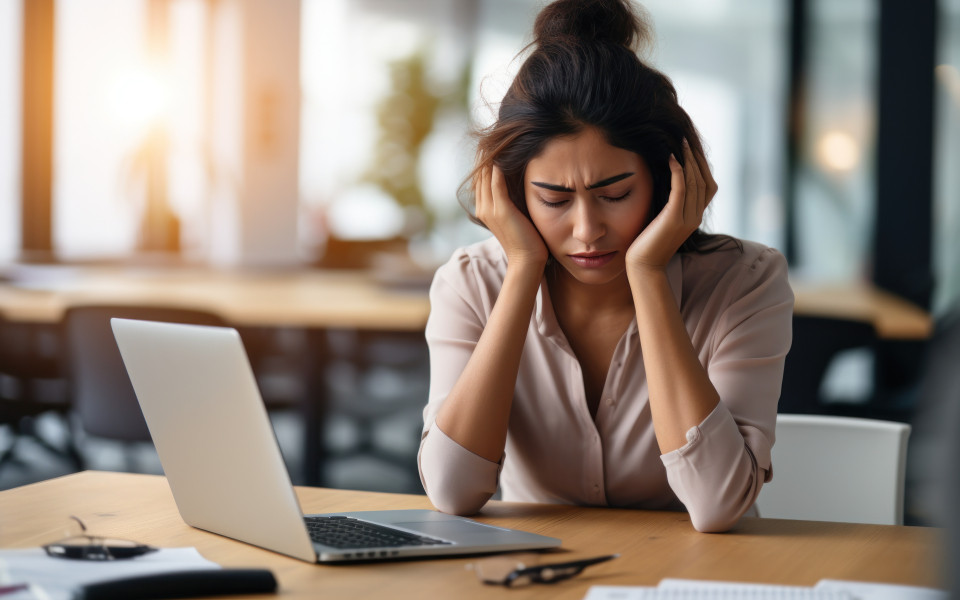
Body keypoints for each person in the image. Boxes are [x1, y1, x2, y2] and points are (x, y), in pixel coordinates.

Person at [418, 0, 793, 533]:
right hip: (534, 576)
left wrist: (648, 277)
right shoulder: (471, 283)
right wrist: (523, 268)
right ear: (513, 193)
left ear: (668, 181)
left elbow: (717, 505)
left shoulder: (747, 282)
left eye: (615, 194)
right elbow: (452, 493)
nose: (586, 230)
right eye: (554, 200)